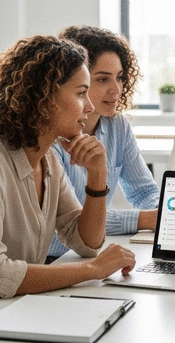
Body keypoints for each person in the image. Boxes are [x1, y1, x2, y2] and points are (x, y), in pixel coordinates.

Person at [0, 35, 135, 299]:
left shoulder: (48, 160)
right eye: (81, 93)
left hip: (20, 311)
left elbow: (87, 242)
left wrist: (98, 175)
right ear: (44, 96)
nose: (90, 106)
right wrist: (93, 270)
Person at [47, 25, 160, 260]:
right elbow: (74, 219)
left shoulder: (118, 126)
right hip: (53, 260)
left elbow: (144, 191)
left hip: (88, 255)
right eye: (102, 79)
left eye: (119, 78)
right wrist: (145, 219)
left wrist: (164, 214)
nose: (116, 89)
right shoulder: (50, 137)